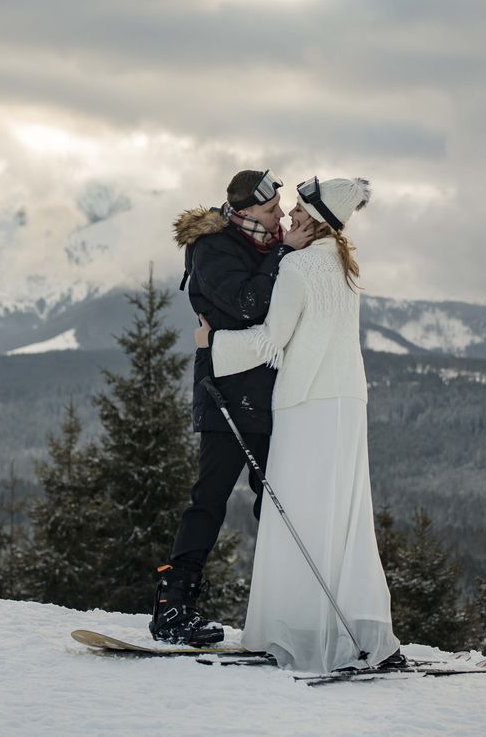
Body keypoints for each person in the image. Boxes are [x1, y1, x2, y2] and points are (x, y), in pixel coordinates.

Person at [197, 176, 401, 673]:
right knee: (344, 518)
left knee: (297, 515)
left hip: (305, 403)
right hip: (347, 404)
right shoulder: (345, 266)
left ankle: (292, 630)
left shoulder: (297, 265)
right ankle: (352, 631)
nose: (290, 216)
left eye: (299, 210)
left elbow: (272, 340)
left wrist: (213, 343)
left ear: (317, 220)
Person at [150, 170, 314, 645]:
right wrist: (285, 254)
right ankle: (173, 607)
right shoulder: (214, 248)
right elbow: (247, 305)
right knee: (210, 497)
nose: (280, 216)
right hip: (225, 389)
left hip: (269, 392)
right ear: (244, 212)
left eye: (279, 207)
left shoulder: (266, 246)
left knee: (275, 500)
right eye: (270, 209)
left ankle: (286, 607)